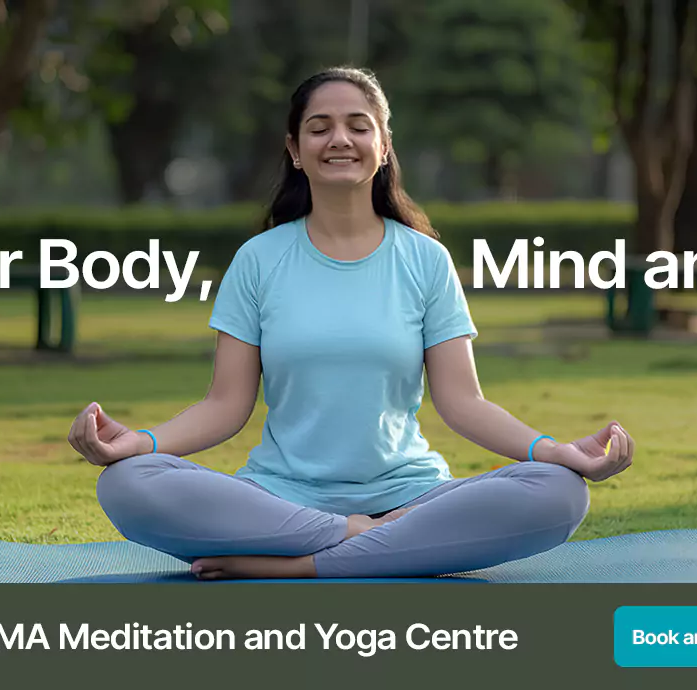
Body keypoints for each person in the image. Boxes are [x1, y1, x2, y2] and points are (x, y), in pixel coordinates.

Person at [67, 66, 635, 580]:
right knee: (127, 483)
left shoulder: (425, 260)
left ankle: (301, 566)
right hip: (279, 501)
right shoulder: (259, 260)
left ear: (383, 146)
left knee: (559, 492)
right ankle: (361, 540)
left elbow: (464, 403)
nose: (340, 139)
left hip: (411, 499)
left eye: (358, 126)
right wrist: (140, 442)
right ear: (295, 150)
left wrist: (552, 451)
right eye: (319, 128)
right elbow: (225, 405)